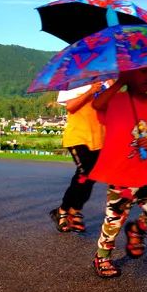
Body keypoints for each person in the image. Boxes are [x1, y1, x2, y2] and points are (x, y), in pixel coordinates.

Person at [88, 65, 147, 278]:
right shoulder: (116, 100)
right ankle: (102, 256)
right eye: (143, 72)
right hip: (120, 175)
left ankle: (136, 230)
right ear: (129, 73)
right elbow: (97, 104)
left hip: (145, 175)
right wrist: (119, 82)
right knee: (114, 219)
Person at [49, 79, 111, 234]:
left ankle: (74, 210)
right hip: (78, 137)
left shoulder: (107, 82)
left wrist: (113, 85)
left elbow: (114, 105)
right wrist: (90, 91)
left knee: (90, 178)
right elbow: (71, 107)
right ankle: (63, 211)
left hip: (99, 138)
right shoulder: (73, 81)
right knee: (83, 173)